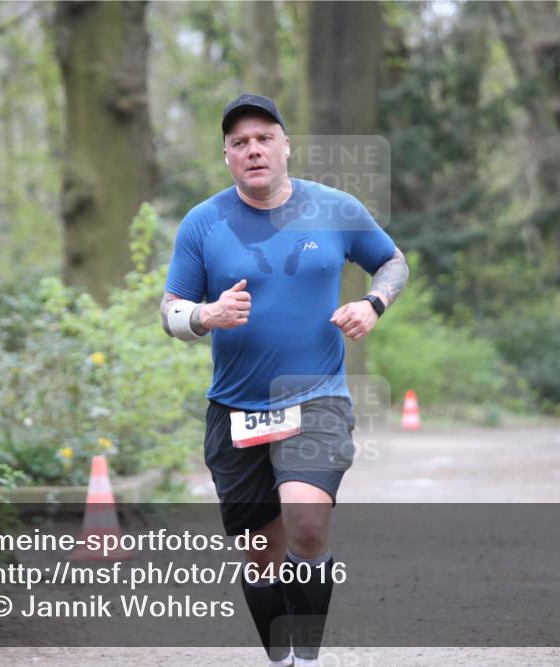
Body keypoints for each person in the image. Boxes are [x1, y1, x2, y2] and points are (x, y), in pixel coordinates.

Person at [160, 93, 408, 667]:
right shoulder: (204, 222)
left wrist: (374, 303)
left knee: (306, 523)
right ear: (227, 156)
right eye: (240, 143)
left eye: (264, 138)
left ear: (285, 145)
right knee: (261, 555)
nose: (253, 150)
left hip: (315, 394)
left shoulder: (337, 209)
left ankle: (308, 661)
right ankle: (281, 659)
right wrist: (205, 315)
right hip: (234, 407)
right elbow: (171, 312)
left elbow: (393, 261)